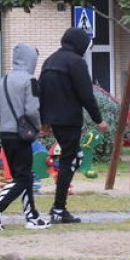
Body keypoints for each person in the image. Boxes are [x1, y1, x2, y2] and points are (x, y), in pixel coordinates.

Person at [40, 27, 109, 223]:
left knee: (71, 158)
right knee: (69, 160)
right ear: (80, 44)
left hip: (54, 120)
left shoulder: (50, 61)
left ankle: (59, 208)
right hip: (69, 120)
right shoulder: (76, 62)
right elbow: (86, 94)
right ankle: (58, 209)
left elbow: (41, 91)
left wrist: (45, 121)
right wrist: (99, 120)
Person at [0, 43, 50, 230]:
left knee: (22, 176)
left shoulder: (4, 79)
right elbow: (32, 109)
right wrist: (38, 127)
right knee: (23, 178)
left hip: (5, 132)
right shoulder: (30, 80)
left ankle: (32, 216)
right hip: (21, 133)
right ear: (31, 60)